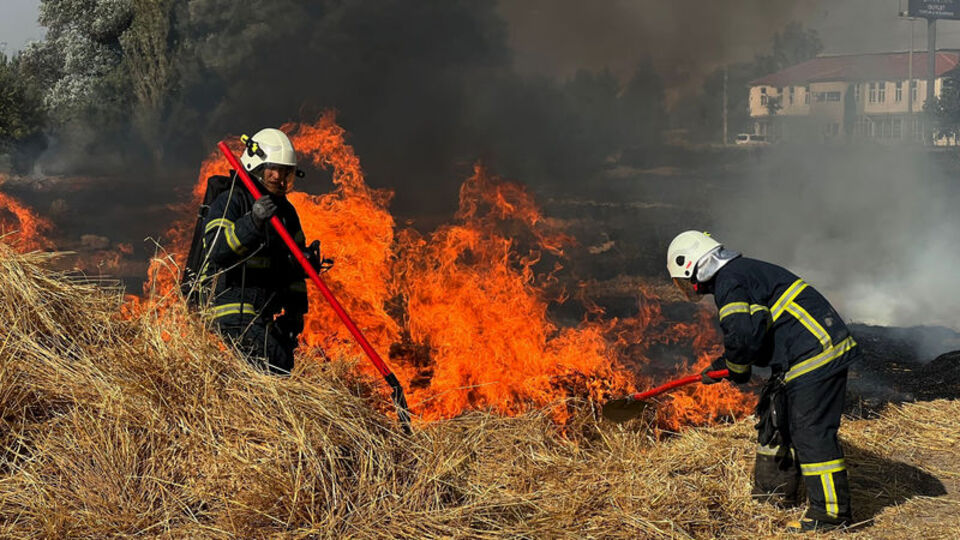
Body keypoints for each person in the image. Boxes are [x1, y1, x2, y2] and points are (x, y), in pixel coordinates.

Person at [667, 230, 859, 534]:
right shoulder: (737, 274)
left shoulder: (730, 281)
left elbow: (744, 334)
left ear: (691, 266)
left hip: (816, 351)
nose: (687, 287)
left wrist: (736, 368)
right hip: (801, 353)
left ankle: (831, 515)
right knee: (776, 416)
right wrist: (724, 366)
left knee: (810, 431)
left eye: (682, 279)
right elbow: (752, 334)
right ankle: (775, 495)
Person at [198, 127, 324, 374]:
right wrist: (252, 222)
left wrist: (295, 314)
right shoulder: (232, 200)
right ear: (256, 168)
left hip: (262, 313)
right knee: (274, 363)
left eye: (285, 172)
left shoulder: (286, 213)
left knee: (284, 362)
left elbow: (293, 272)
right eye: (273, 169)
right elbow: (216, 250)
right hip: (229, 309)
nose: (279, 177)